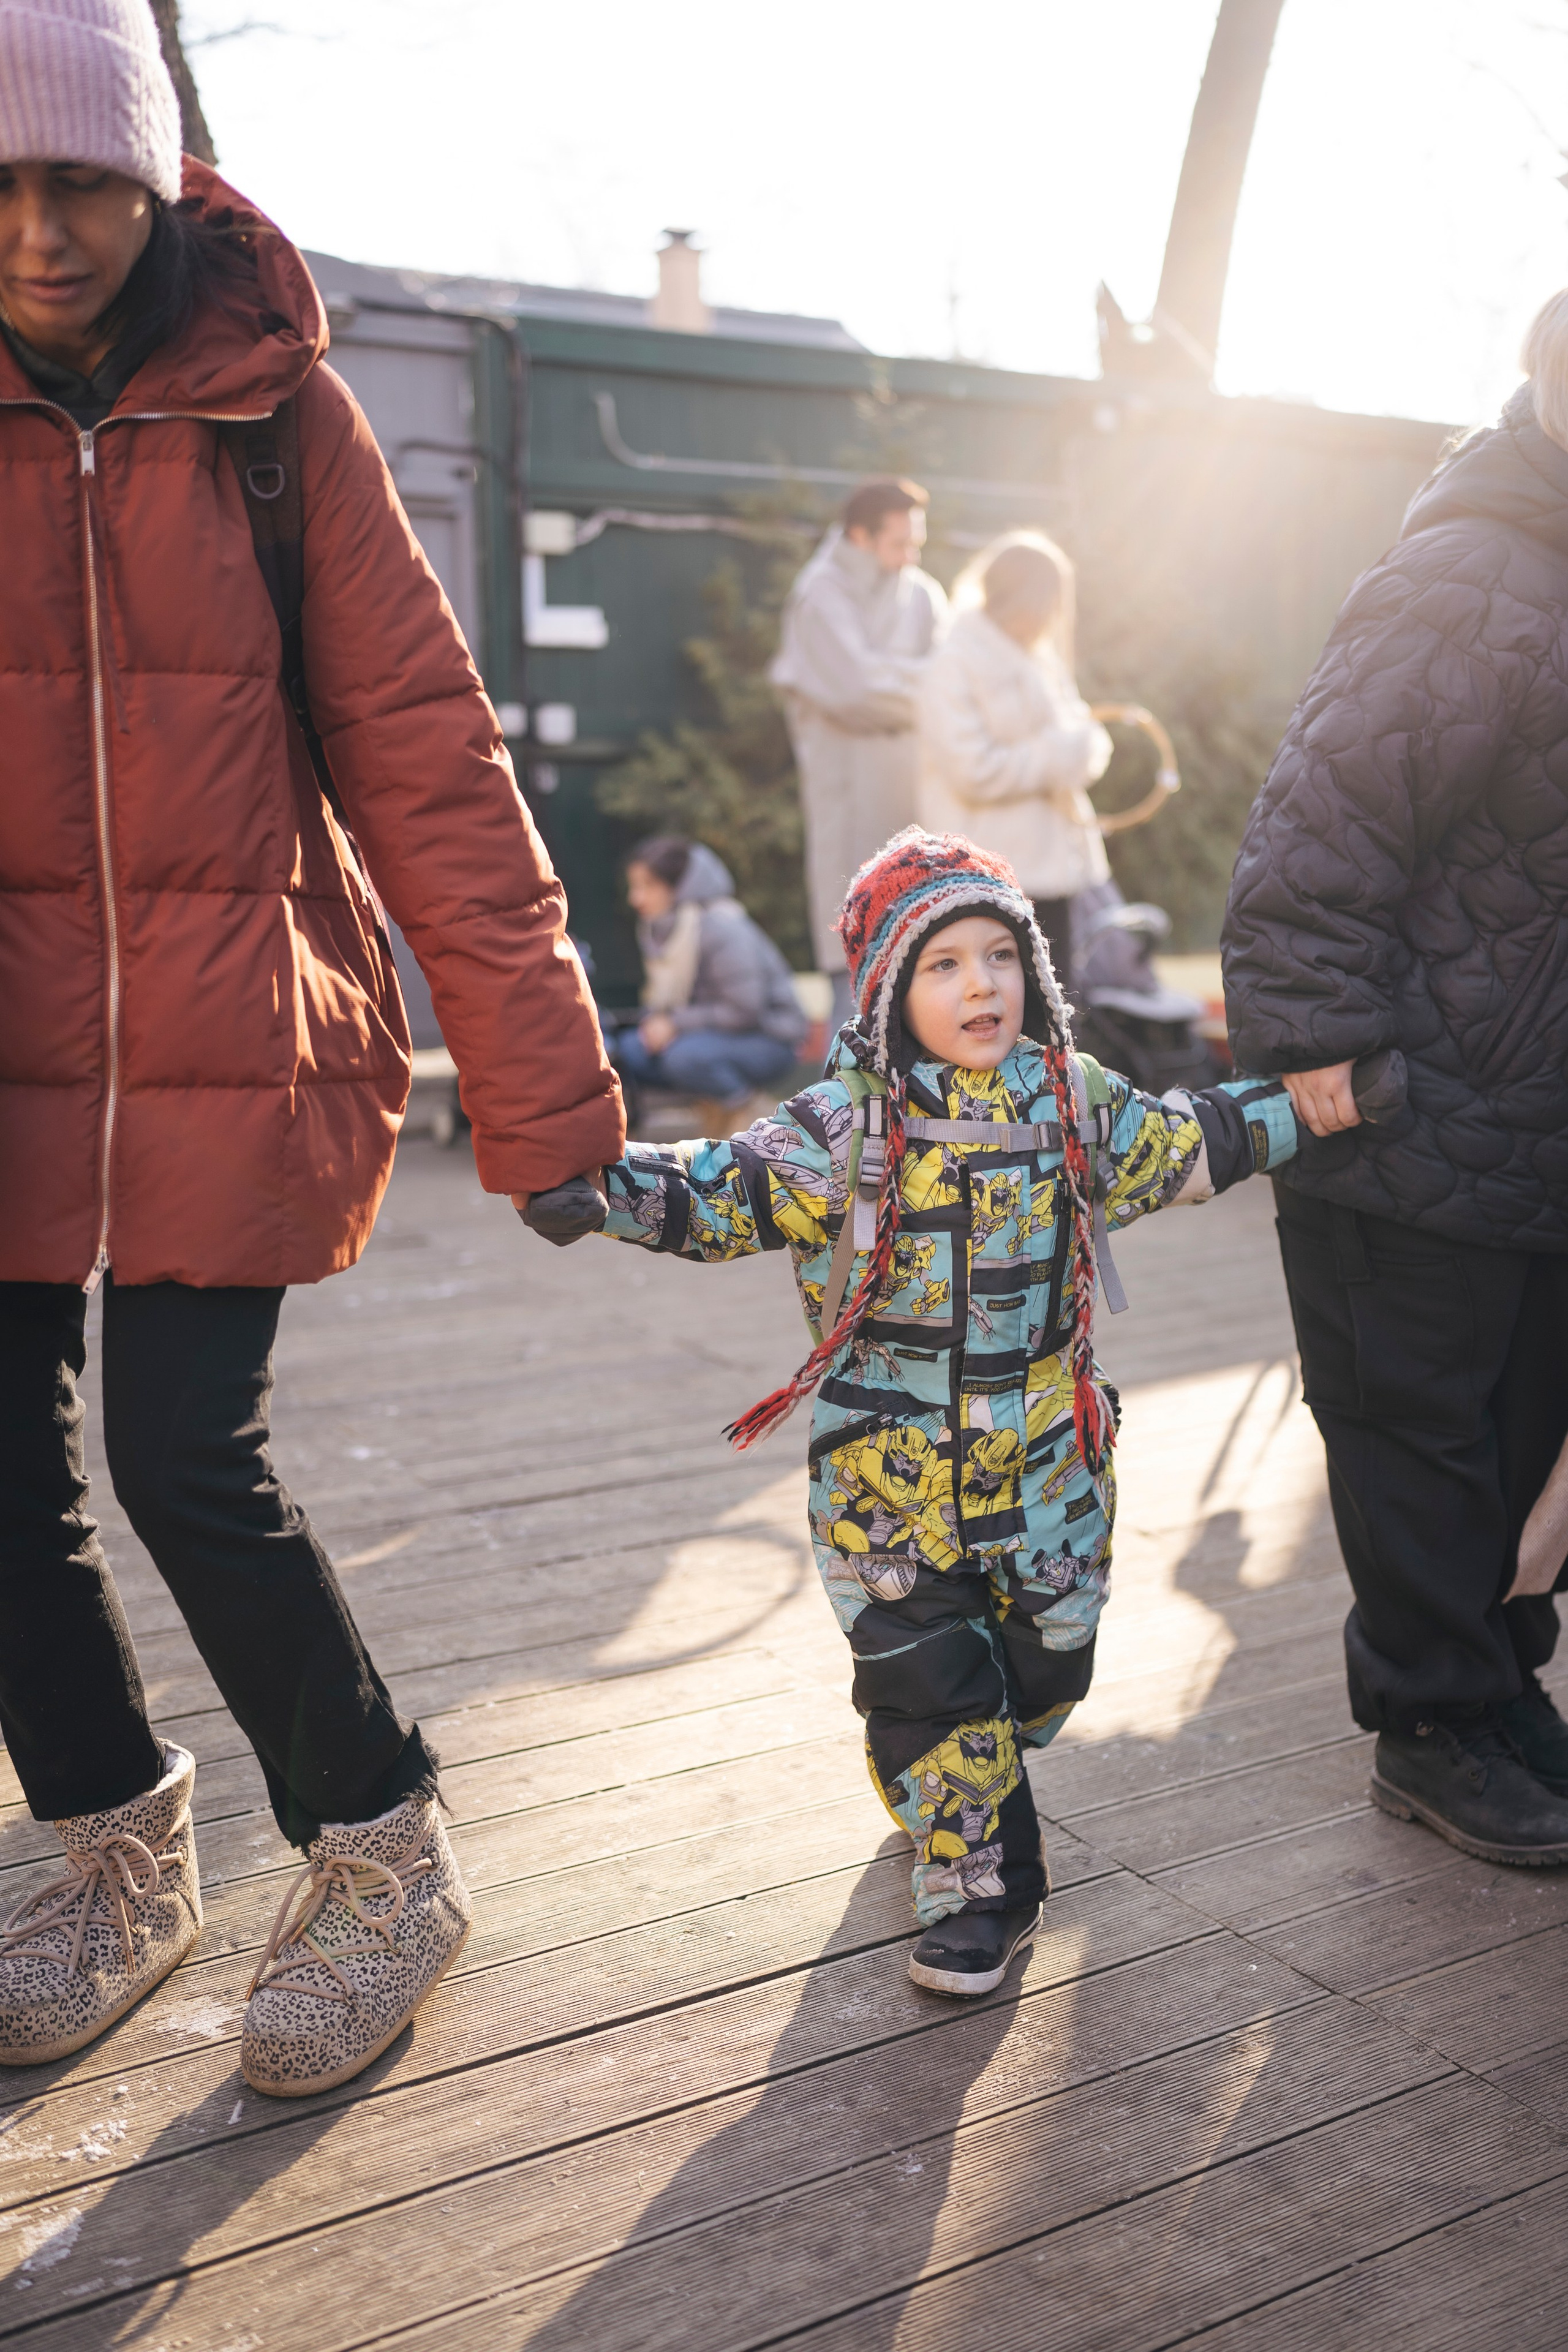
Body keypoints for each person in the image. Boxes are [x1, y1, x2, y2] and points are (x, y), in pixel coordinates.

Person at [0, 0, 622, 2090]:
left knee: (186, 1458)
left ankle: (377, 1845)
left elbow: (430, 763)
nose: (38, 232)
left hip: (235, 1017)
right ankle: (110, 1842)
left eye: (79, 180)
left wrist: (541, 1095)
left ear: (156, 179)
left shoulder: (281, 418)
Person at [585, 827, 1298, 1994]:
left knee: (1049, 1663)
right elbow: (719, 1189)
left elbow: (1187, 1142)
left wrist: (1309, 1108)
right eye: (945, 964)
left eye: (1000, 957)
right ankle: (977, 1874)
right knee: (929, 1677)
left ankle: (956, 1774)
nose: (982, 984)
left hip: (1051, 1466)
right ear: (885, 993)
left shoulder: (1073, 1096)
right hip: (888, 1473)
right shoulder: (840, 1124)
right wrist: (598, 1190)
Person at [1223, 286, 1568, 1868]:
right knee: (1417, 1429)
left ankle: (1497, 1687)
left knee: (1515, 1429)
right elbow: (1311, 853)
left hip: (1538, 1129)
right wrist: (1340, 1092)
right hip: (1416, 1121)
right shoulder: (1466, 579)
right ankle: (1429, 1722)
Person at [771, 478, 947, 1029]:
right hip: (849, 807)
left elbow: (951, 682)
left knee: (924, 966)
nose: (910, 556)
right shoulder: (819, 594)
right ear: (860, 536)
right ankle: (839, 1114)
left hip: (917, 806)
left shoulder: (922, 592)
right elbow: (855, 693)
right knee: (854, 975)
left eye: (916, 542)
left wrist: (896, 681)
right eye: (900, 542)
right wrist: (926, 690)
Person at [917, 533, 1114, 993]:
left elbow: (1082, 736)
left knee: (1058, 1005)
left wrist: (1078, 749)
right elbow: (971, 769)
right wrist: (1057, 755)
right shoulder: (952, 662)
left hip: (1055, 869)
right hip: (989, 874)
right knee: (1001, 1004)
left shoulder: (1040, 659)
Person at [613, 836, 807, 1111]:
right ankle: (711, 1106)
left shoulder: (720, 926)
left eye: (648, 886)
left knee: (684, 1058)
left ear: (678, 887)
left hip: (769, 1038)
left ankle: (751, 1113)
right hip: (710, 1033)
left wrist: (674, 1024)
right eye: (634, 887)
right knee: (630, 1050)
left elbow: (745, 1010)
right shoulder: (659, 931)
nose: (636, 898)